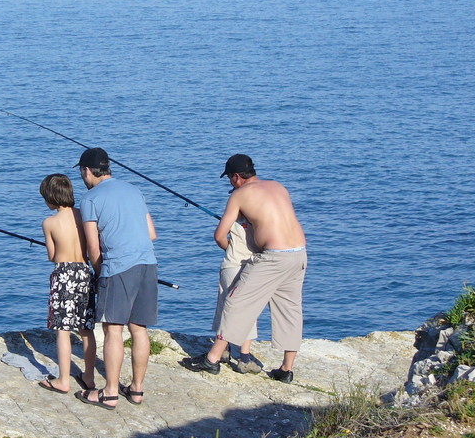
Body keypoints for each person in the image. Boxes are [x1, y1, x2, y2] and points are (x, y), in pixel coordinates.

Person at [181, 154, 307, 383]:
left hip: (273, 257)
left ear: (237, 176)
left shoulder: (239, 194)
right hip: (298, 253)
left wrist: (232, 246)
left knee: (236, 301)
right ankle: (286, 370)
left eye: (229, 178)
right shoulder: (278, 187)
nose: (230, 182)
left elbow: (220, 234)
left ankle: (212, 359)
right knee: (290, 310)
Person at [74, 148, 158, 409]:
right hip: (148, 263)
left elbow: (93, 248)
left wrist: (100, 275)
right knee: (139, 328)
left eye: (81, 172)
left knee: (113, 329)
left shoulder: (90, 199)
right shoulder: (134, 190)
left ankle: (109, 392)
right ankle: (136, 389)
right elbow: (152, 233)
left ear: (87, 171)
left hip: (118, 267)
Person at [37, 174, 97, 395]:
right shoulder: (84, 216)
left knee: (63, 330)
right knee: (85, 329)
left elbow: (53, 256)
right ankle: (89, 377)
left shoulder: (49, 222)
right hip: (84, 272)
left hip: (63, 275)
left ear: (50, 198)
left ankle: (63, 380)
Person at [212, 214, 262, 374]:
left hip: (231, 264)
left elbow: (219, 237)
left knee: (224, 305)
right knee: (248, 311)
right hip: (252, 265)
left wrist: (230, 248)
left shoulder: (231, 213)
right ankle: (244, 358)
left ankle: (224, 350)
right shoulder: (261, 215)